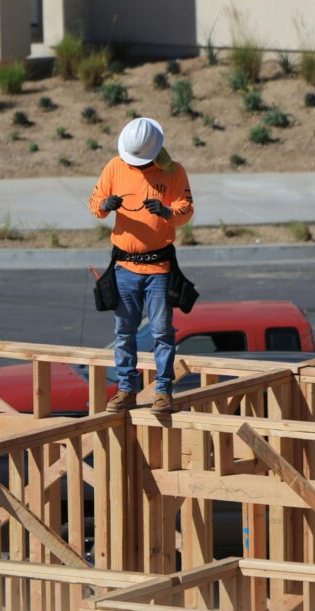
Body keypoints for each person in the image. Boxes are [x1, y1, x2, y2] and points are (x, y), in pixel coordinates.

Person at [88, 117, 194, 414]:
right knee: (124, 330)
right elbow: (94, 203)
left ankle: (162, 390)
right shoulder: (115, 166)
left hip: (158, 267)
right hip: (125, 266)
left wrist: (167, 211)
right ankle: (126, 388)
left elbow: (186, 211)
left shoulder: (173, 172)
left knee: (162, 331)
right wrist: (105, 205)